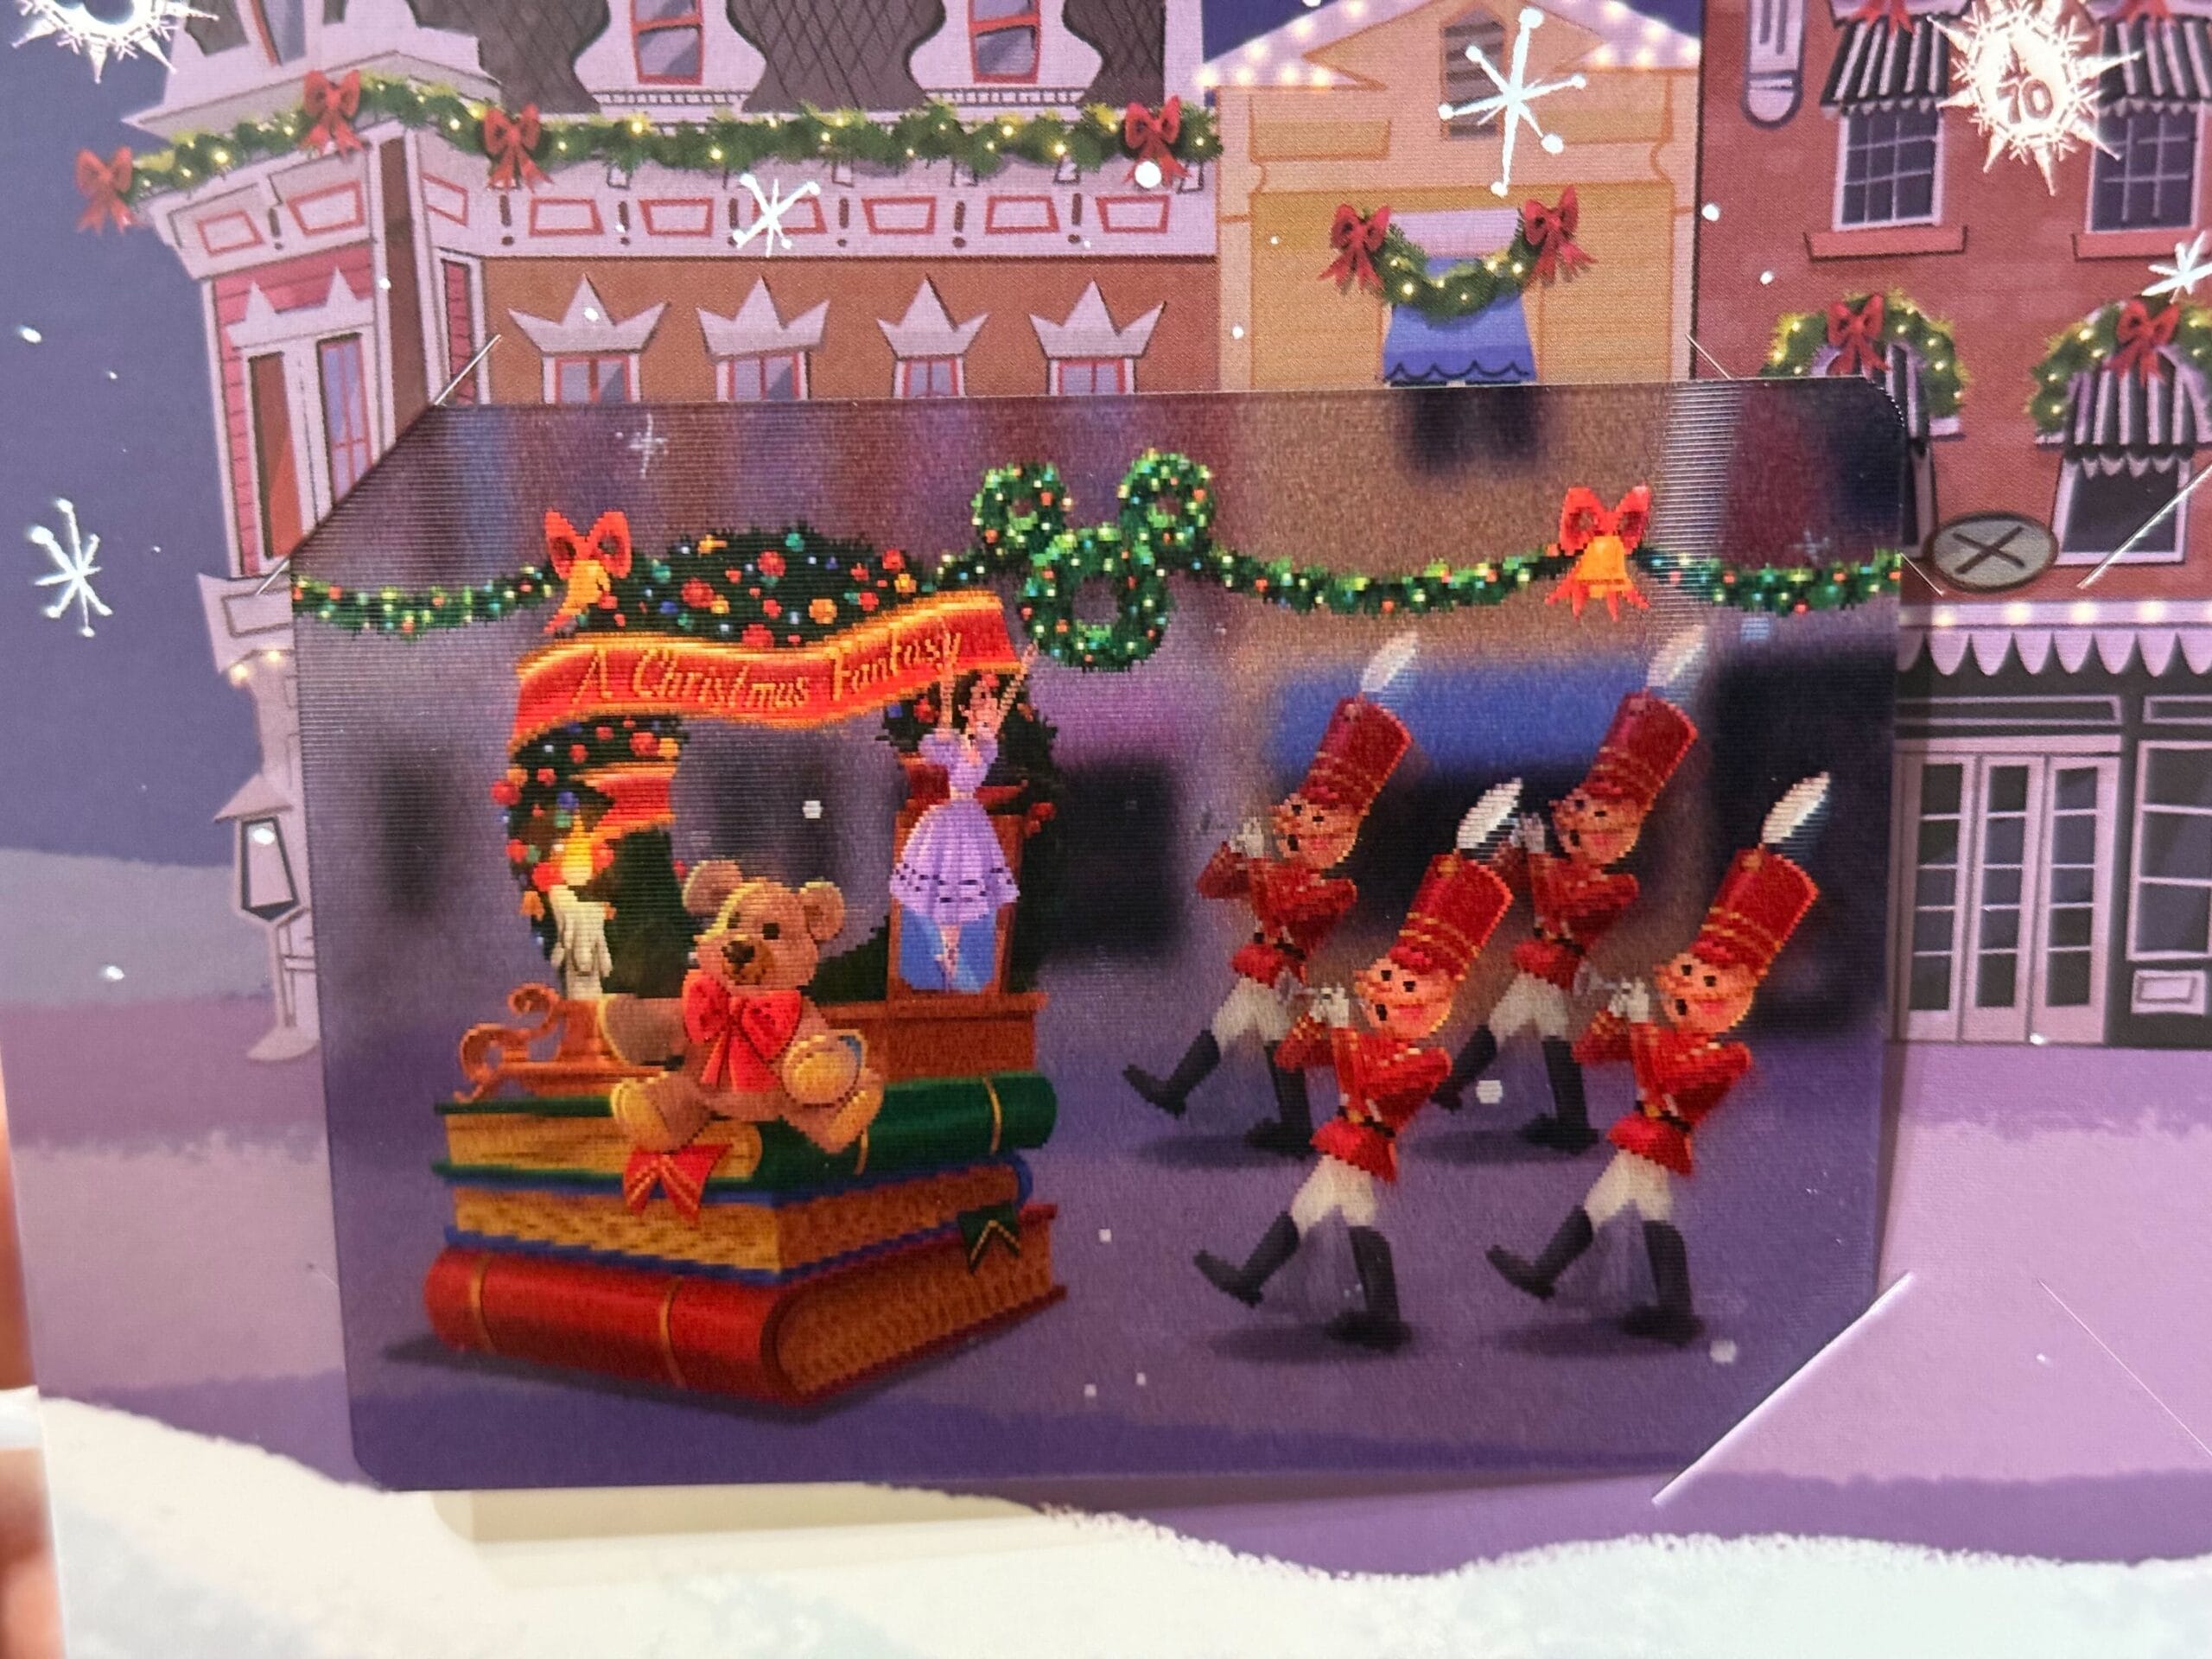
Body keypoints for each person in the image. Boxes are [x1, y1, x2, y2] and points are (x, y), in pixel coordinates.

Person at [1484, 779, 1826, 1345]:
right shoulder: (1672, 1037)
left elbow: (1671, 1084)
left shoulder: (1724, 1057)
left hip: (1659, 1139)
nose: (1685, 986)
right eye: (1689, 972)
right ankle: (1595, 1286)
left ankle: (1632, 1296)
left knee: (1628, 1210)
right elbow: (1596, 1052)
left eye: (1705, 982)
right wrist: (1621, 1016)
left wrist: (1641, 1029)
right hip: (1644, 1136)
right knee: (1620, 1207)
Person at [1193, 786, 1519, 1350]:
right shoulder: (1368, 1040)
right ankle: (1290, 1290)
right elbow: (1295, 1058)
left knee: (1333, 1216)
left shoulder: (1426, 1061)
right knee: (1331, 1214)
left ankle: (1321, 1298)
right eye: (1387, 975)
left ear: (1435, 1004)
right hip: (1346, 1141)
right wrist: (1317, 1024)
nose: (1383, 987)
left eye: (1402, 983)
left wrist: (1341, 1032)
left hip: (1363, 1145)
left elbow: (1372, 1085)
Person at [1125, 637, 1418, 1155]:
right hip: (1262, 968)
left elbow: (1293, 920)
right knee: (1256, 1035)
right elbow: (1214, 888)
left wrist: (1258, 872)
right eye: (1298, 811)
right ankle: (1237, 1108)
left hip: (1281, 974)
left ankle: (1206, 1097)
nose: (1298, 822)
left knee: (1272, 1038)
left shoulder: (1332, 889)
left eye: (1314, 819)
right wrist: (1236, 857)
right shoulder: (1280, 867)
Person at [1431, 685, 1698, 1151]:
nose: (1578, 828)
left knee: (1526, 1026)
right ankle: (1501, 1098)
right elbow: (1513, 884)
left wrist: (1537, 857)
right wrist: (1507, 849)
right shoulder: (1557, 865)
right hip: (1542, 962)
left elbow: (1561, 907)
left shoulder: (1617, 886)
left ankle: (1479, 1091)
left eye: (1598, 821)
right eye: (1577, 816)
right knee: (1523, 1024)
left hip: (1560, 965)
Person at [889, 651, 1034, 991]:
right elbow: (943, 729)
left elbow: (1004, 704)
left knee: (963, 889)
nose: (989, 703)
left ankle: (955, 957)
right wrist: (947, 690)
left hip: (969, 820)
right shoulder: (953, 741)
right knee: (944, 887)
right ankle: (945, 955)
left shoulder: (986, 741)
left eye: (988, 698)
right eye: (981, 698)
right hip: (945, 819)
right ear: (966, 709)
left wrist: (1021, 671)